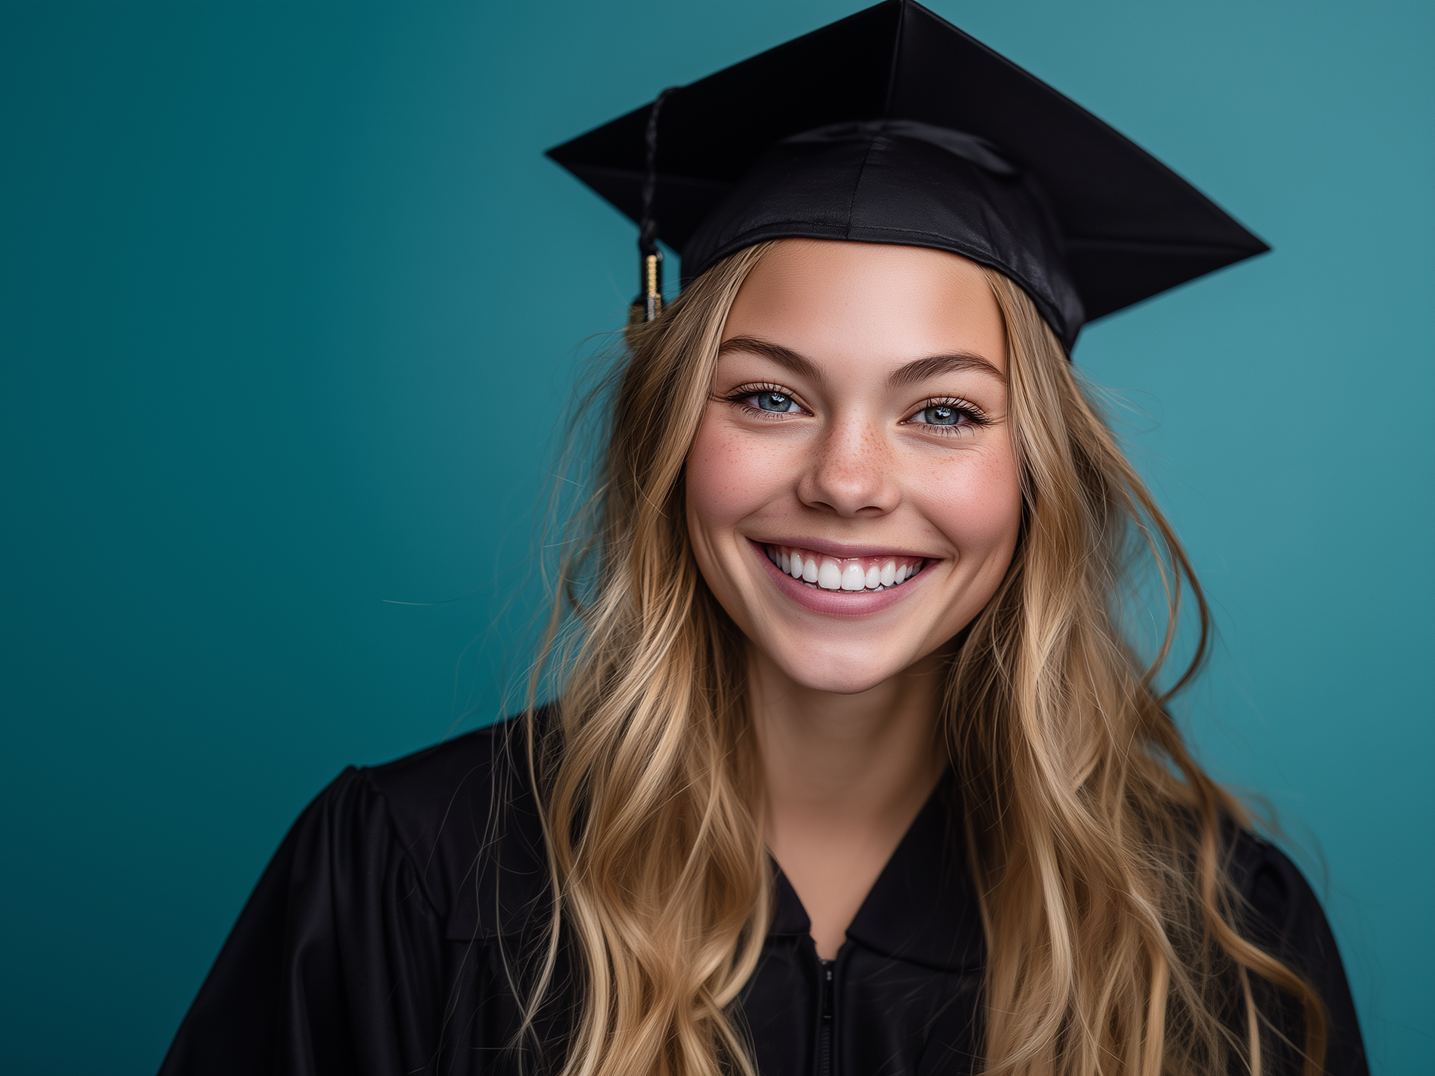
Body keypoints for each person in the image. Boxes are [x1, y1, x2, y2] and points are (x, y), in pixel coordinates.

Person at [159, 3, 1367, 1075]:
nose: (846, 481)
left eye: (941, 411)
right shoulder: (411, 874)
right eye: (768, 396)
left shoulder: (1216, 937)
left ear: (1038, 472)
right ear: (670, 433)